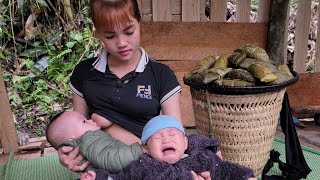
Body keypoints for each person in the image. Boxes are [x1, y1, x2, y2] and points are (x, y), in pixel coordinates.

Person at [59, 0, 184, 173]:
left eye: (129, 31)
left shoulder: (161, 75)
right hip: (101, 164)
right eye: (110, 36)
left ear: (139, 23)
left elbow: (175, 133)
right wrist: (68, 153)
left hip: (148, 164)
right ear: (97, 32)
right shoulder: (84, 73)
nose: (121, 43)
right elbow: (78, 130)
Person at [80, 115, 257, 180]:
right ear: (147, 149)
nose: (165, 139)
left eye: (173, 135)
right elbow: (120, 178)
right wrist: (99, 177)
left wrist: (245, 176)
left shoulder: (202, 158)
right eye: (157, 137)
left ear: (186, 142)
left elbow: (225, 170)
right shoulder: (142, 166)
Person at [46, 111, 145, 173]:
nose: (90, 120)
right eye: (84, 121)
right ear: (71, 139)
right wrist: (141, 150)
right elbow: (110, 160)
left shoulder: (87, 144)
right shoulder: (89, 139)